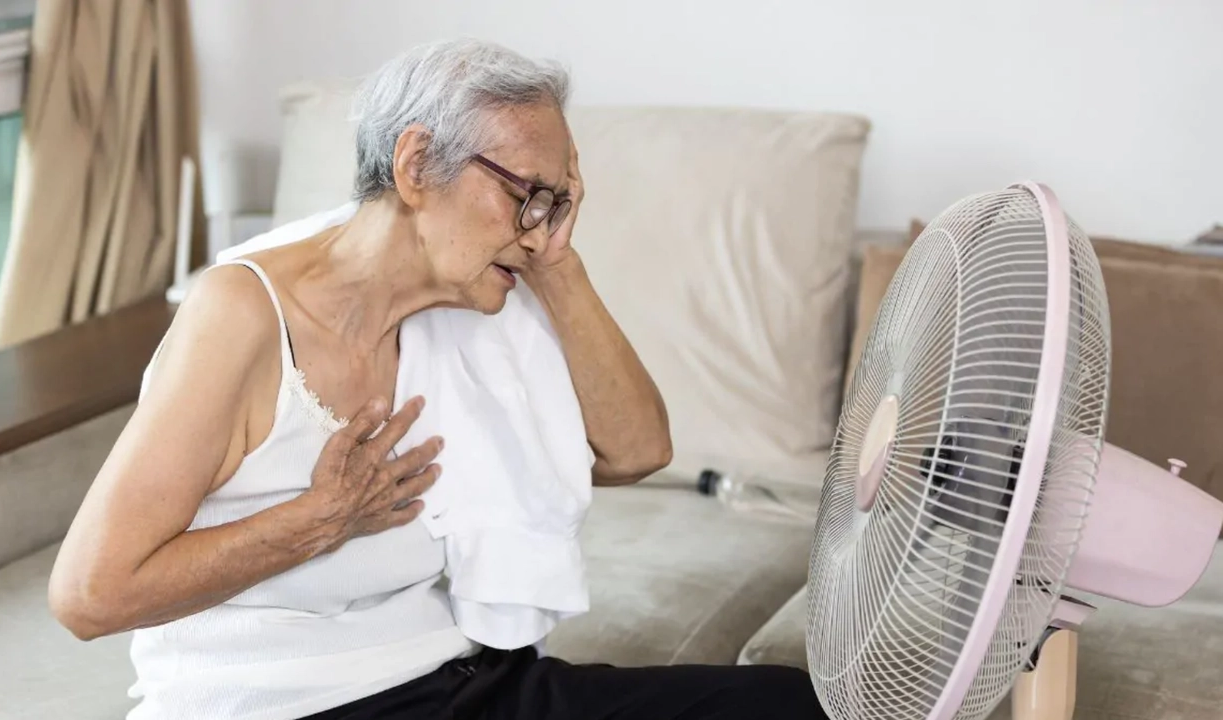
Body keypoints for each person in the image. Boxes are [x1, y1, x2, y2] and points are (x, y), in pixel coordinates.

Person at [48, 39, 828, 720]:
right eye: (527, 196)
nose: (539, 226)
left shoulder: (466, 307)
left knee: (788, 705)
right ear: (417, 164)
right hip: (293, 703)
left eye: (557, 203)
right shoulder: (242, 317)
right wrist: (319, 521)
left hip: (465, 681)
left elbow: (636, 451)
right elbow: (90, 595)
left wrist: (557, 264)